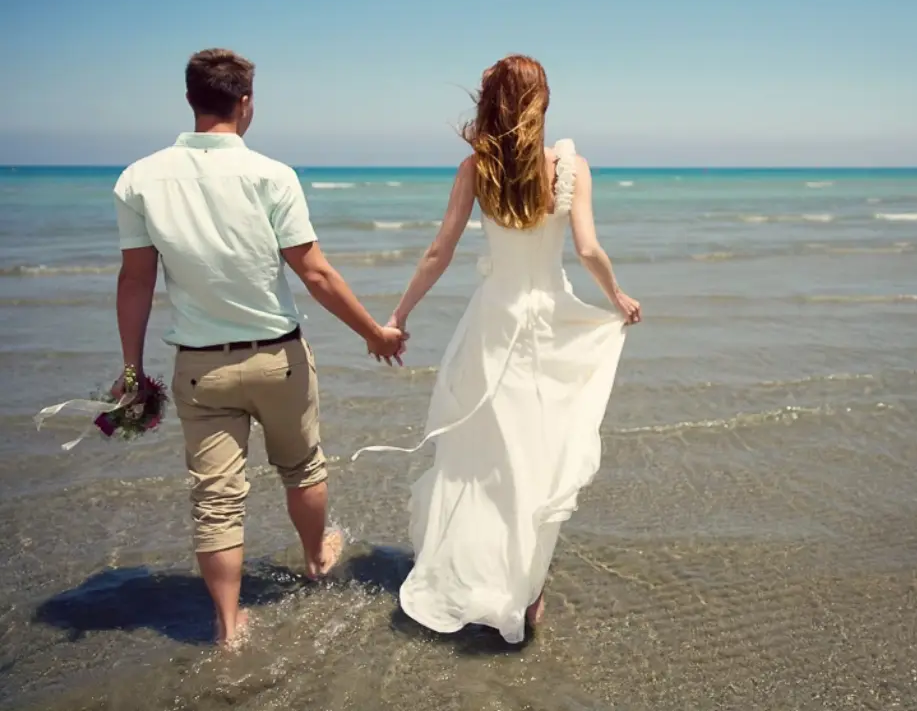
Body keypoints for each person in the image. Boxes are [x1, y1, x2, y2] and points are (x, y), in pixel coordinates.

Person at [111, 48, 405, 648]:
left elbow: (136, 280)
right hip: (277, 358)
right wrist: (374, 334)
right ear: (246, 102)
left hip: (200, 369)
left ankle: (227, 626)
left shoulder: (139, 178)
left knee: (216, 500)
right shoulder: (272, 175)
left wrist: (132, 369)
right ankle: (316, 558)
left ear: (191, 99)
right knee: (302, 467)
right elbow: (314, 272)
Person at [354, 54, 641, 643]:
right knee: (539, 454)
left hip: (493, 322)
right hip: (549, 324)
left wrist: (398, 314)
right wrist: (616, 295)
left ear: (492, 104)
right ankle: (526, 588)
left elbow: (439, 252)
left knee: (487, 458)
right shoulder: (571, 167)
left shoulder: (474, 169)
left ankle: (482, 574)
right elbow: (587, 249)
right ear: (542, 101)